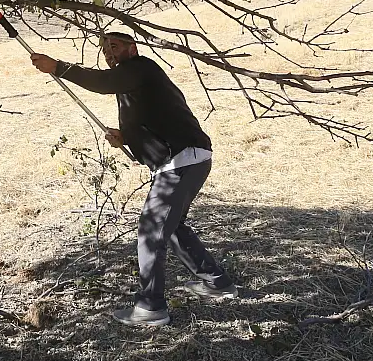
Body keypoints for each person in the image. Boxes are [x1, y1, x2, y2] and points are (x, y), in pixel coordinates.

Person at [29, 31, 236, 327]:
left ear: (132, 48)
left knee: (152, 229)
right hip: (188, 159)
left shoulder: (140, 68)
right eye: (104, 49)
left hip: (181, 160)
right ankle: (217, 283)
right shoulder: (133, 81)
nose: (108, 53)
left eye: (114, 46)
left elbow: (102, 83)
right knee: (171, 225)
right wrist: (127, 137)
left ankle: (151, 307)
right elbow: (155, 117)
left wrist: (59, 67)